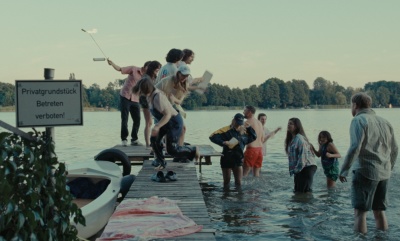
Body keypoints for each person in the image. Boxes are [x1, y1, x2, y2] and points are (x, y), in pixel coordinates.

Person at [339, 92, 398, 234]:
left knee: (360, 213)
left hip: (365, 172)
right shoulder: (385, 122)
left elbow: (355, 147)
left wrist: (344, 170)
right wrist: (389, 167)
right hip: (384, 173)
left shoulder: (358, 121)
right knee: (379, 211)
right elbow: (395, 149)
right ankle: (382, 237)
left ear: (355, 105)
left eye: (350, 105)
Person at [132, 77, 199, 170]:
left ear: (147, 89)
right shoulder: (149, 96)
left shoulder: (158, 96)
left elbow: (167, 114)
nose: (141, 94)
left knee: (171, 150)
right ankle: (161, 162)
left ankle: (193, 150)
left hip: (174, 122)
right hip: (165, 122)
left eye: (142, 91)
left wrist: (157, 126)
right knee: (154, 140)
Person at [107, 59, 150, 146]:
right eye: (148, 68)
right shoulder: (133, 69)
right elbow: (120, 69)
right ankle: (124, 139)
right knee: (125, 119)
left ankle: (134, 139)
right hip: (125, 96)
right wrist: (112, 64)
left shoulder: (146, 77)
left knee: (137, 119)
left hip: (136, 99)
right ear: (145, 67)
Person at [209, 113, 257, 188]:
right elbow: (212, 136)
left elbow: (254, 137)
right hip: (227, 157)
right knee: (226, 181)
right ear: (234, 120)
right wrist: (223, 142)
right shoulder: (226, 130)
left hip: (238, 158)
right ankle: (225, 196)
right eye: (237, 123)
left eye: (240, 123)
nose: (238, 125)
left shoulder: (244, 132)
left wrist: (249, 127)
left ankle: (239, 198)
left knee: (239, 182)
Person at [284, 118, 317, 193]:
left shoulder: (299, 139)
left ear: (296, 126)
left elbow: (303, 157)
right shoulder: (292, 139)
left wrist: (296, 170)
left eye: (291, 124)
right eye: (288, 123)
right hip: (300, 168)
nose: (288, 125)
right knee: (298, 191)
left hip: (307, 167)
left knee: (304, 192)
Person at [137, 61, 162, 148]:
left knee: (154, 122)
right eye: (157, 68)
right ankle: (148, 144)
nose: (158, 70)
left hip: (153, 99)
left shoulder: (154, 77)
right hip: (145, 99)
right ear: (152, 68)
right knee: (148, 122)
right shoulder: (145, 77)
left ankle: (155, 141)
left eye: (159, 68)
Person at [242, 105, 265, 177]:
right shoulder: (259, 123)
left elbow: (239, 135)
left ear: (249, 112)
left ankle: (240, 188)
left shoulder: (247, 122)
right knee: (256, 173)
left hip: (251, 150)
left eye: (244, 111)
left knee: (244, 173)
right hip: (260, 150)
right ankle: (256, 188)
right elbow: (262, 139)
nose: (243, 112)